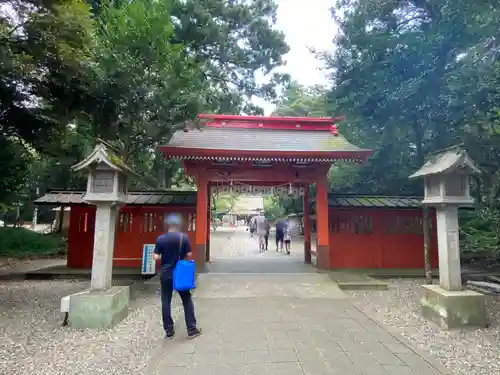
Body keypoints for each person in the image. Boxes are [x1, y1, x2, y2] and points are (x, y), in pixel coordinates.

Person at [153, 213, 202, 339]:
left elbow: (156, 256)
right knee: (186, 299)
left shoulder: (161, 239)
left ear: (168, 225)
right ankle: (191, 329)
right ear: (178, 225)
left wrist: (163, 255)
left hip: (166, 273)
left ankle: (169, 330)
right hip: (180, 273)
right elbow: (189, 254)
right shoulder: (183, 238)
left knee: (166, 300)